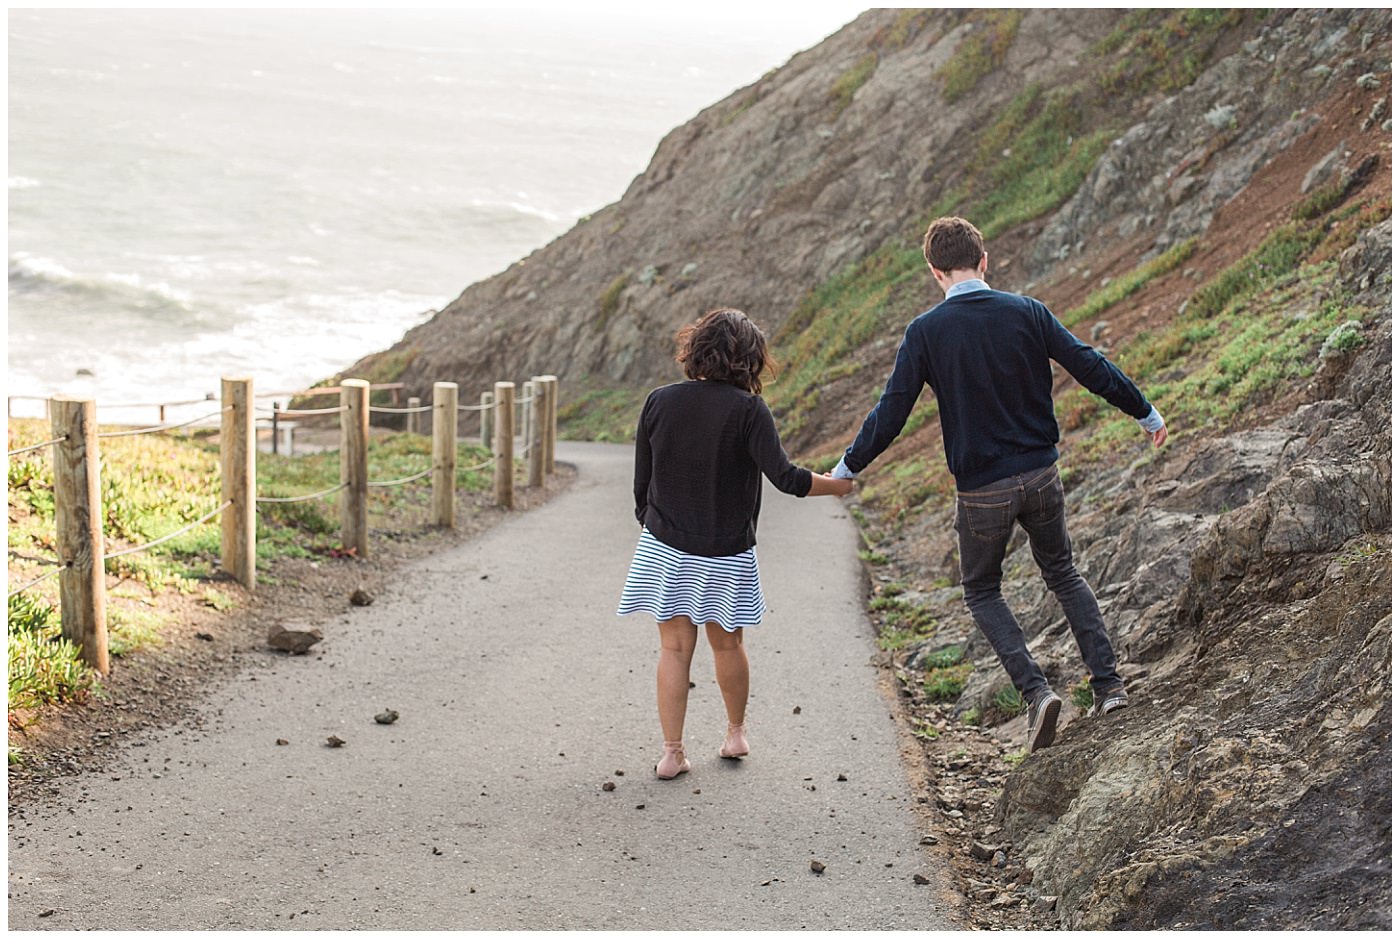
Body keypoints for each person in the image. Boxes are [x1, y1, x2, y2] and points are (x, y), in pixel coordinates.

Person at [831, 217, 1167, 753]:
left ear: (935, 272)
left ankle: (1036, 694)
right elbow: (1087, 364)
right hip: (1040, 475)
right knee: (1063, 572)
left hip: (982, 490)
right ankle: (1109, 687)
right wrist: (1144, 411)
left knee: (982, 590)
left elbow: (892, 411)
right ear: (984, 260)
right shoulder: (1027, 311)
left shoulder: (926, 332)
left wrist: (847, 469)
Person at [618, 308, 854, 779]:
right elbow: (787, 479)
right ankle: (735, 733)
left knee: (674, 650)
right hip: (726, 549)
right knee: (727, 646)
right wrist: (837, 486)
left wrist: (656, 525)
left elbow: (641, 486)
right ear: (750, 359)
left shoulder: (658, 401)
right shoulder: (749, 410)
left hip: (664, 546)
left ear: (695, 350)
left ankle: (671, 753)